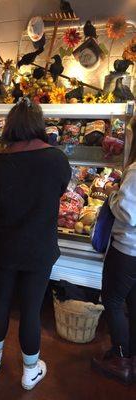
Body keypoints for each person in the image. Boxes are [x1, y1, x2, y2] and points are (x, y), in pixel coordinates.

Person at [0, 98, 71, 390]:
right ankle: (30, 371)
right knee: (31, 310)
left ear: (11, 125)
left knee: (1, 302)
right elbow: (58, 193)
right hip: (39, 246)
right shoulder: (56, 158)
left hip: (5, 243)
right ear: (38, 124)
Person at [92, 117, 136, 385]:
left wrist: (112, 193)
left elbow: (128, 213)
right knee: (132, 301)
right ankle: (131, 354)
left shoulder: (135, 171)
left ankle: (121, 357)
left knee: (113, 300)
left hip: (128, 247)